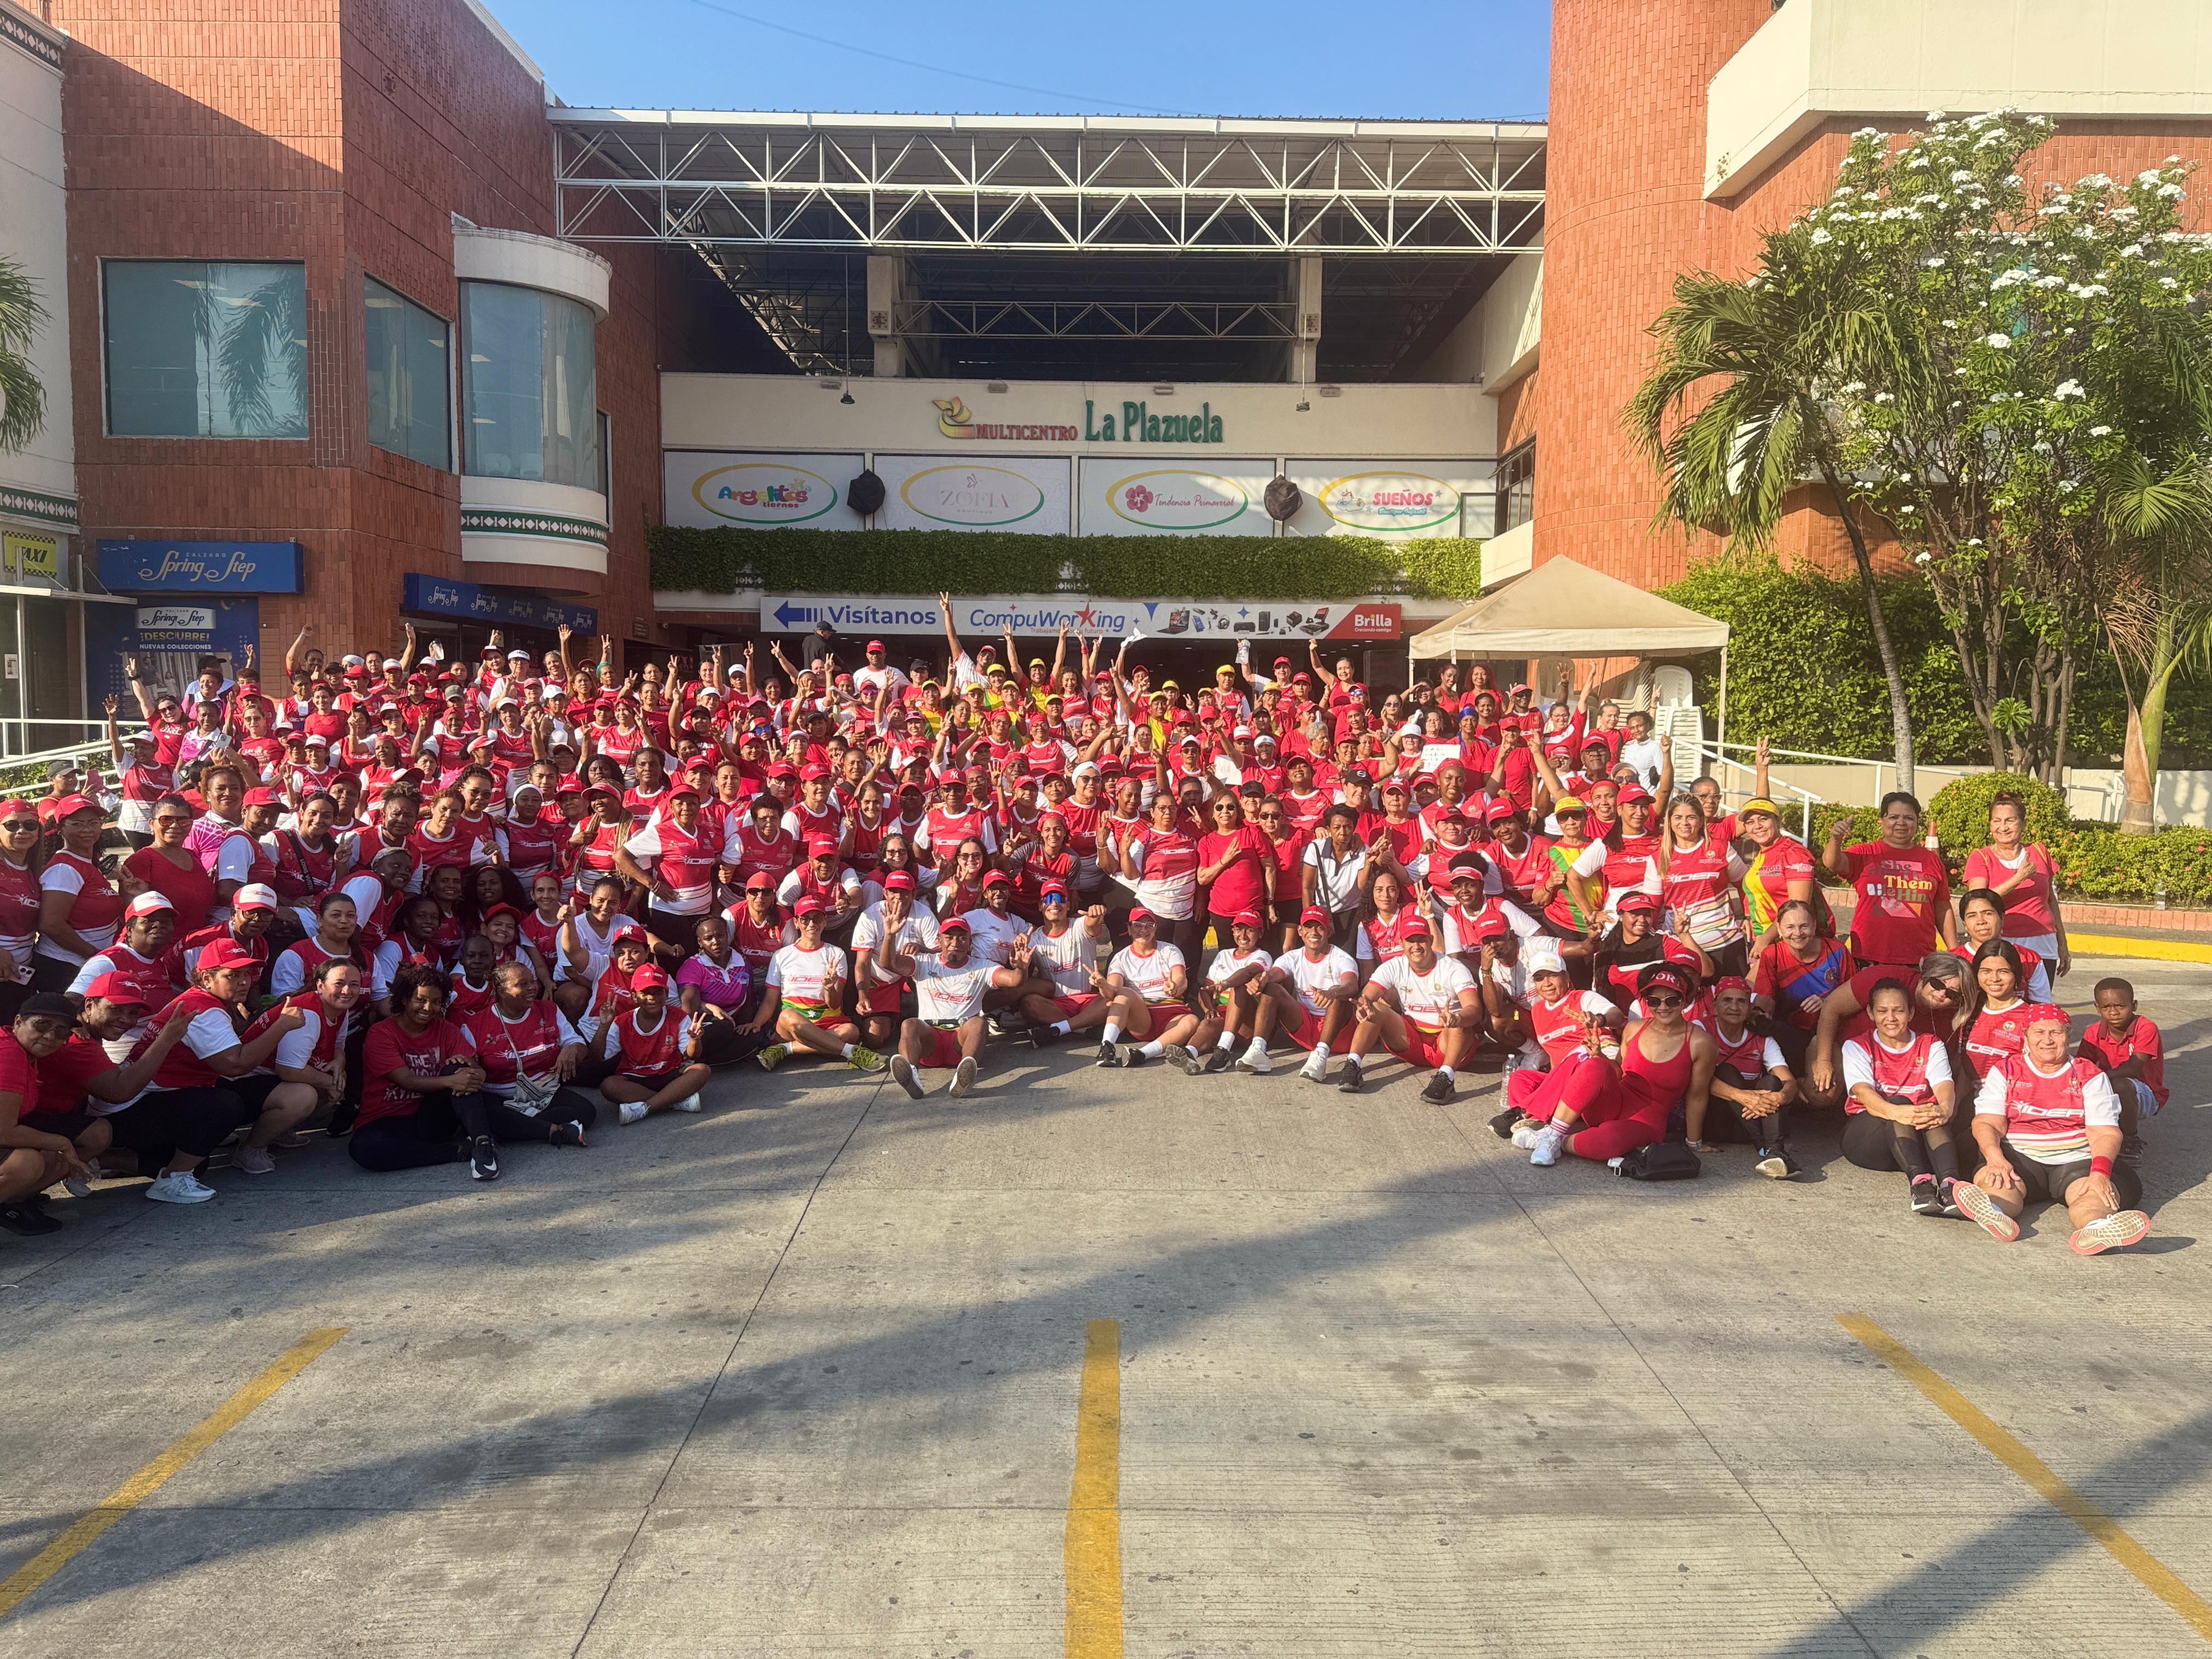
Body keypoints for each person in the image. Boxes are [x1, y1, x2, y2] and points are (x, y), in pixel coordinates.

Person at [354, 962, 588, 1180]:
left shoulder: (446, 1029)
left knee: (460, 1069)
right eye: (421, 1000)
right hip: (385, 1119)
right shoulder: (381, 1033)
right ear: (405, 999)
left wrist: (474, 1073)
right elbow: (406, 1080)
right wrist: (450, 1082)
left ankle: (483, 1143)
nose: (428, 1008)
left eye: (436, 1002)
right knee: (365, 1149)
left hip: (433, 1116)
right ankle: (462, 1150)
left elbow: (475, 1068)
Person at [1950, 1004, 2151, 1255]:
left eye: (2056, 1033)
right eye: (2039, 1032)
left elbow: (2105, 1132)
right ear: (2025, 1037)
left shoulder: (2089, 1074)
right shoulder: (2006, 1070)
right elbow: (1987, 1122)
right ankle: (1995, 1213)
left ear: (2068, 1037)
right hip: (2020, 1156)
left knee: (2094, 1195)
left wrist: (2100, 1173)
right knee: (1998, 1183)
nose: (2047, 1040)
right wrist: (1995, 1158)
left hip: (2076, 1160)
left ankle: (2095, 1229)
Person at [1516, 962, 1711, 1166]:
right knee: (1594, 1065)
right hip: (1613, 1104)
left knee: (1610, 1140)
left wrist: (1694, 1143)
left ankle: (1559, 1142)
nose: (1662, 1008)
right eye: (1654, 1001)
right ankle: (1553, 1135)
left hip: (1647, 1120)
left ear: (1684, 1001)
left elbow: (1697, 1096)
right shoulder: (1635, 1028)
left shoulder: (1700, 1042)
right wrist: (1598, 1054)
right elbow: (1617, 1071)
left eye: (1671, 1000)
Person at [1837, 977, 1962, 1218]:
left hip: (1912, 1140)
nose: (1891, 1018)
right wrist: (1900, 1112)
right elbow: (1864, 1093)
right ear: (1871, 1013)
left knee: (1933, 1109)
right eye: (1882, 1011)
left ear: (1911, 1013)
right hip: (1867, 1140)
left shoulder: (1931, 1044)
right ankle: (1920, 1185)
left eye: (1898, 1011)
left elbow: (1944, 1085)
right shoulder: (1856, 1046)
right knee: (1900, 1101)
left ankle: (1951, 1186)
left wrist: (1944, 1109)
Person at [232, 958, 363, 1174]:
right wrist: (332, 1083)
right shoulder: (307, 1013)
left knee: (333, 1080)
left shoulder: (338, 1007)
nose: (347, 991)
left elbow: (339, 1044)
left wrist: (339, 1062)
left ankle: (278, 1130)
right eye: (339, 984)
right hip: (242, 1081)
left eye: (354, 984)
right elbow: (289, 1070)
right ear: (320, 985)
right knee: (304, 1096)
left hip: (271, 1076)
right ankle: (251, 1149)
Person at [876, 916, 1028, 1099]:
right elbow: (888, 963)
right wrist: (889, 935)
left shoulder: (983, 967)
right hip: (930, 1041)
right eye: (949, 938)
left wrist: (1021, 969)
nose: (955, 943)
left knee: (979, 1023)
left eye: (962, 938)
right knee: (910, 1024)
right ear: (939, 941)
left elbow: (1014, 981)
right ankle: (911, 1074)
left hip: (961, 1042)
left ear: (970, 944)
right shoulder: (924, 962)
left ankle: (963, 1076)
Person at [1338, 917, 1480, 1102]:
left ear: (1431, 940)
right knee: (1374, 1009)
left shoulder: (1453, 968)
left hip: (1446, 1045)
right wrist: (1363, 1005)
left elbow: (1474, 1009)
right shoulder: (1394, 966)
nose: (1416, 946)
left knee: (1461, 1024)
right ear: (1401, 943)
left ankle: (1446, 1077)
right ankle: (1353, 1065)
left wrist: (1457, 1018)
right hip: (1411, 1043)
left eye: (1421, 940)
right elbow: (1367, 996)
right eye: (1410, 941)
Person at [1, 994, 105, 1234]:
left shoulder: (22, 1050)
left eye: (60, 1031)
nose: (50, 1036)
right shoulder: (8, 1054)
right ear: (18, 1022)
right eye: (41, 1025)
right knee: (26, 1163)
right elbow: (3, 1131)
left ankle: (11, 1205)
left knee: (52, 1159)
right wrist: (63, 1143)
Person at [457, 961, 600, 1136]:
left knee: (586, 1112)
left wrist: (572, 1049)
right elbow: (469, 1068)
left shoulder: (549, 1010)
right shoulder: (474, 1026)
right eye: (522, 984)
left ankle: (521, 1126)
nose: (532, 987)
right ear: (502, 991)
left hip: (544, 1092)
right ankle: (549, 1130)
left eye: (532, 981)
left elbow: (578, 1043)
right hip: (500, 1098)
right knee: (483, 1115)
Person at [748, 896, 882, 1073]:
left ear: (825, 921)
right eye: (805, 919)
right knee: (788, 1015)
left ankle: (786, 1049)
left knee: (851, 1031)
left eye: (817, 918)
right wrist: (756, 1024)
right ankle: (851, 1052)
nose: (812, 924)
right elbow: (769, 1001)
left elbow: (834, 1004)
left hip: (829, 1023)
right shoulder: (781, 956)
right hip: (791, 1026)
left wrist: (829, 987)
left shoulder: (836, 954)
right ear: (796, 923)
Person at [1686, 975, 1800, 1178]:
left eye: (1741, 1001)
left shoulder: (1763, 1040)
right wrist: (1741, 1096)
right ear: (1715, 1005)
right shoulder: (1701, 1028)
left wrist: (1780, 1097)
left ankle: (1773, 1153)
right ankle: (1767, 1147)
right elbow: (1693, 1078)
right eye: (1727, 1000)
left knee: (1772, 1082)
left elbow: (1789, 1081)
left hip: (1752, 1120)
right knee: (1725, 1071)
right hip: (1717, 1122)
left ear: (1749, 1008)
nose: (1734, 1007)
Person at [1823, 791, 1953, 967]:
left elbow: (1942, 908)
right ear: (1882, 821)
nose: (1901, 823)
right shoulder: (1865, 853)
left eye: (1909, 818)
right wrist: (1836, 839)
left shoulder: (1931, 860)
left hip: (1919, 958)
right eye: (1893, 817)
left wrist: (1955, 951)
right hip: (1870, 955)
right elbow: (1832, 863)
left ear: (1917, 823)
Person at [1960, 790, 2069, 975]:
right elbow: (1977, 901)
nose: (2003, 827)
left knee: (2040, 994)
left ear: (2023, 824)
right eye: (1997, 821)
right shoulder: (1981, 857)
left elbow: (2051, 901)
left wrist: (2063, 944)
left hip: (2043, 942)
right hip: (2002, 942)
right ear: (1990, 825)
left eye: (2010, 821)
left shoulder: (2039, 851)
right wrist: (2019, 878)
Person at [1255, 905, 1360, 1083]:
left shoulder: (1342, 958)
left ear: (1329, 931)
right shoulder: (1293, 957)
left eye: (1320, 927)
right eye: (1308, 927)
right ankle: (1258, 1049)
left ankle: (1321, 1056)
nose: (1314, 932)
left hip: (1337, 1034)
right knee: (1272, 988)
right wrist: (1262, 979)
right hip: (1305, 1027)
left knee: (1339, 995)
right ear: (1300, 931)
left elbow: (1352, 986)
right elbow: (1275, 973)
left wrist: (1333, 992)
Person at [595, 964, 713, 1122]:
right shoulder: (622, 1022)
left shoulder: (679, 1016)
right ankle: (674, 1101)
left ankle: (646, 1108)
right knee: (609, 1086)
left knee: (702, 1070)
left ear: (666, 994)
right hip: (636, 1078)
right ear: (634, 996)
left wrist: (695, 1040)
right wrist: (603, 1027)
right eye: (645, 993)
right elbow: (598, 1057)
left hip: (669, 1074)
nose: (652, 998)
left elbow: (692, 1055)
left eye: (658, 992)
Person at [1091, 907, 1198, 1069]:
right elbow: (1112, 993)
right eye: (1138, 925)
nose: (1143, 930)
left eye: (1149, 925)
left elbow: (1181, 979)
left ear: (1155, 929)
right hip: (1142, 1017)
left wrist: (1175, 986)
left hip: (1172, 1014)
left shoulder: (1170, 950)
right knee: (1124, 993)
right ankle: (1107, 1047)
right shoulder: (1120, 957)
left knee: (1192, 1021)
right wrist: (1103, 985)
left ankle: (1142, 1054)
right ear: (1129, 929)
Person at [1176, 909, 1275, 1075]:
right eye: (1239, 930)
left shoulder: (1263, 955)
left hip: (1248, 1020)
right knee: (1208, 1024)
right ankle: (1189, 1054)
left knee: (1239, 987)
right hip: (1224, 1016)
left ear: (1260, 933)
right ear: (1233, 931)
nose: (1243, 935)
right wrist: (1209, 1009)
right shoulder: (1223, 955)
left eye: (1250, 930)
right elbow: (1206, 990)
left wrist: (1225, 984)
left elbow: (1248, 972)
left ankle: (1223, 1050)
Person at [2079, 977, 2164, 1159]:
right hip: (2109, 1086)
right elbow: (2082, 1066)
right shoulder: (2093, 1032)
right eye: (2106, 1007)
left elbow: (2134, 1068)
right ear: (2097, 1008)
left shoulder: (2146, 1028)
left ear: (2134, 1005)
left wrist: (2099, 1080)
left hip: (2145, 1094)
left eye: (2120, 1006)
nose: (2113, 1012)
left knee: (2120, 1085)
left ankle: (2130, 1140)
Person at [1951, 888, 2052, 1002]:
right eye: (1972, 916)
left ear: (2002, 918)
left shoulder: (2029, 959)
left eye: (1988, 914)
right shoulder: (1952, 960)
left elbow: (2042, 1007)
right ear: (1965, 924)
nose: (1981, 921)